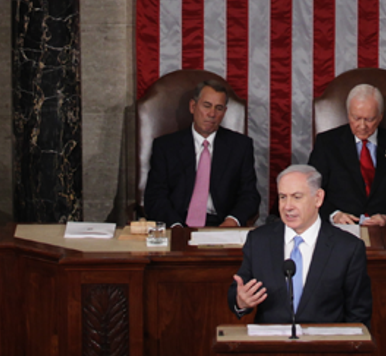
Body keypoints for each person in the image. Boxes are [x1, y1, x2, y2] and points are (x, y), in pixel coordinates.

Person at [229, 164, 372, 325]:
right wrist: (241, 302)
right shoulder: (259, 240)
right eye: (283, 197)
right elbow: (238, 291)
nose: (287, 206)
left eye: (297, 197)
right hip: (271, 345)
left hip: (325, 346)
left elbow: (359, 314)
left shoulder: (347, 248)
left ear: (318, 198)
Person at [144, 79, 261, 227]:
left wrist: (233, 220)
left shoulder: (240, 146)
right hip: (177, 223)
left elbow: (249, 195)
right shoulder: (166, 147)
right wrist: (175, 225)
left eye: (218, 108)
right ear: (193, 106)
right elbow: (155, 196)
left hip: (221, 224)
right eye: (207, 106)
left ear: (224, 112)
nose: (212, 114)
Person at [307, 83, 386, 227]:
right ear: (348, 115)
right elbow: (311, 191)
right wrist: (334, 215)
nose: (362, 125)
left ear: (380, 117)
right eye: (356, 118)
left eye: (369, 119)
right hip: (340, 230)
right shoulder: (327, 144)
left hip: (384, 230)